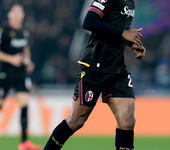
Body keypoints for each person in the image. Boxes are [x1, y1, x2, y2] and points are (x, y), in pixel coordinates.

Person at [44, 0, 145, 150]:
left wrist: (132, 44)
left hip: (117, 68)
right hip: (94, 64)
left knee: (127, 120)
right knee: (77, 120)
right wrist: (123, 33)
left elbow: (117, 28)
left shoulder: (131, 3)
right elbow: (88, 21)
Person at [0, 3, 41, 150]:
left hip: (20, 74)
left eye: (20, 12)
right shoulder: (3, 31)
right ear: (9, 14)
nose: (17, 15)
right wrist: (11, 59)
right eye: (15, 12)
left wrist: (27, 61)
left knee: (24, 105)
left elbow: (26, 48)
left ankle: (24, 143)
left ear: (23, 15)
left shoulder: (24, 32)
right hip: (4, 73)